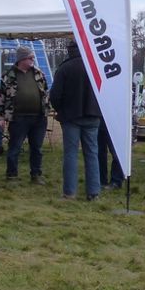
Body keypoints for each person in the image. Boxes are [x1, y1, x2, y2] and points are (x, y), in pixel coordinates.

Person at [49, 40, 101, 201]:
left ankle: (69, 193)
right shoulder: (96, 66)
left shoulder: (64, 68)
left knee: (70, 154)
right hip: (93, 115)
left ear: (70, 50)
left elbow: (55, 96)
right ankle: (93, 192)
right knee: (92, 153)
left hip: (71, 117)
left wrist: (61, 110)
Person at [0, 45, 51, 184]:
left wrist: (47, 110)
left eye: (32, 57)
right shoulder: (8, 76)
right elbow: (1, 98)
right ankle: (12, 175)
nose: (33, 59)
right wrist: (0, 117)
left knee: (37, 148)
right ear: (21, 59)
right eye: (29, 57)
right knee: (15, 147)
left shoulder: (39, 74)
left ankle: (36, 175)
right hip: (18, 118)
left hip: (39, 118)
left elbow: (45, 92)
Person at [98, 123, 124, 190]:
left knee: (116, 151)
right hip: (100, 119)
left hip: (113, 121)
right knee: (100, 152)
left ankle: (116, 181)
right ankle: (101, 180)